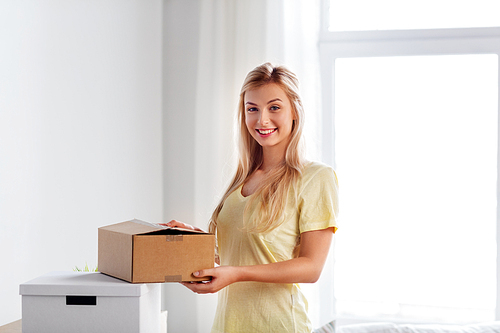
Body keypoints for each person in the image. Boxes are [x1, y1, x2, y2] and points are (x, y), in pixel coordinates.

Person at [165, 63, 339, 333]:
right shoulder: (242, 180)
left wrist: (237, 274)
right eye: (252, 109)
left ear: (294, 111)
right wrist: (193, 240)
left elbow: (311, 268)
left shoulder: (316, 177)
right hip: (228, 325)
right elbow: (240, 254)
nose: (262, 120)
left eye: (274, 107)